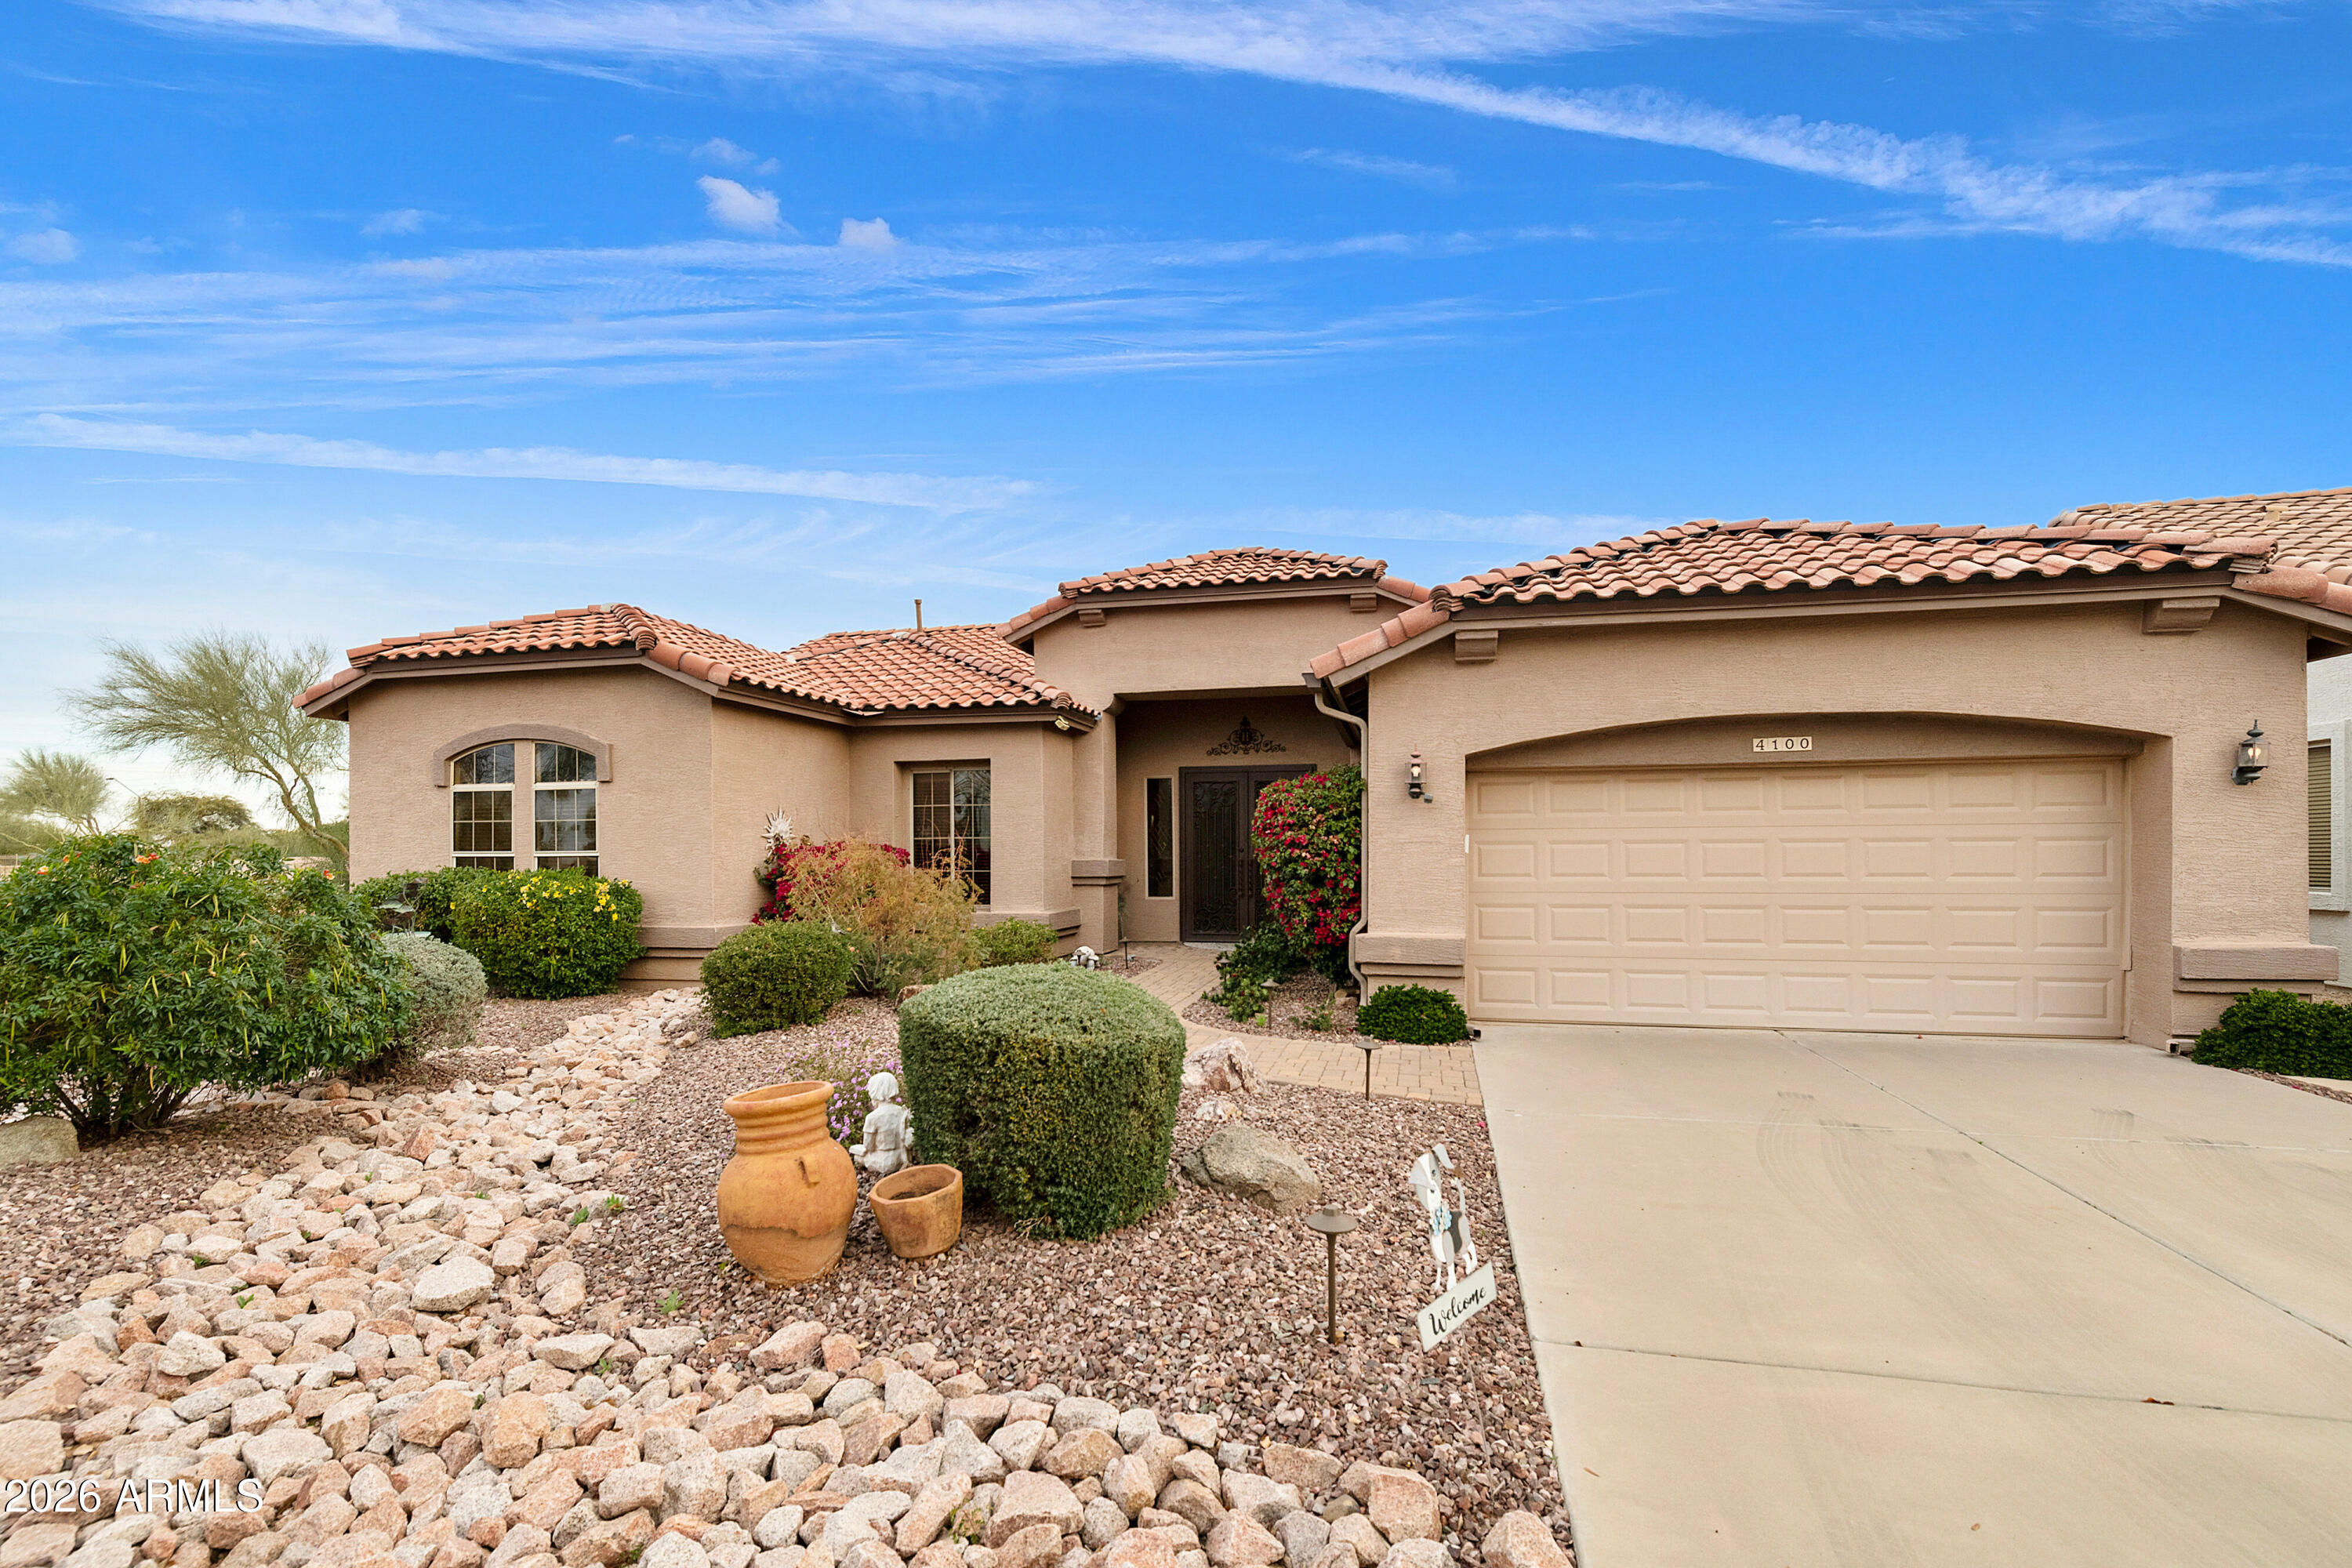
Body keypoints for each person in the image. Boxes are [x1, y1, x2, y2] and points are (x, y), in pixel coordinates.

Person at [852, 1071, 913, 1177]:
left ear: (875, 1093)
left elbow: (868, 1147)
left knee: (857, 1156)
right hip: (901, 1158)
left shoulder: (872, 1117)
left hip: (883, 1162)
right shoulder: (902, 1111)